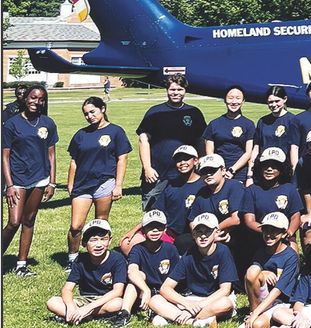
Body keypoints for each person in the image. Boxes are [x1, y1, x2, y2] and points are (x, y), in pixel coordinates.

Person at [65, 97, 130, 267]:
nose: (89, 116)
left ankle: (99, 259)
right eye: (86, 114)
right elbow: (74, 161)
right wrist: (70, 183)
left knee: (101, 223)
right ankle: (72, 259)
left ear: (103, 109)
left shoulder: (116, 132)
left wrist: (118, 185)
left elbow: (122, 159)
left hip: (105, 183)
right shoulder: (81, 134)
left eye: (92, 112)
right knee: (76, 226)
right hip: (82, 185)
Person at [2, 83, 58, 276]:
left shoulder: (47, 123)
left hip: (40, 178)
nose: (37, 102)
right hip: (17, 179)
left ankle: (21, 265)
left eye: (41, 98)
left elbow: (51, 154)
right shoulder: (11, 124)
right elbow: (5, 156)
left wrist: (51, 182)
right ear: (25, 98)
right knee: (14, 222)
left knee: (29, 220)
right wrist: (9, 185)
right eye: (33, 97)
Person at [150, 213, 238, 328]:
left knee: (225, 304)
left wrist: (197, 307)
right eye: (199, 232)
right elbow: (165, 288)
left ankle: (174, 318)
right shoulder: (189, 254)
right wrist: (187, 304)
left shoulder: (223, 252)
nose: (203, 236)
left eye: (207, 231)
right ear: (193, 234)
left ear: (216, 232)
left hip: (213, 300)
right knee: (155, 300)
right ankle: (195, 322)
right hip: (191, 299)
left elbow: (225, 290)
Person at [136, 74, 206, 211]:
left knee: (184, 210)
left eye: (179, 89)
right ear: (167, 90)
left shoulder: (193, 112)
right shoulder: (155, 112)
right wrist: (147, 168)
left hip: (186, 172)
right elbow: (143, 139)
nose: (176, 93)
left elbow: (201, 140)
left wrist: (201, 163)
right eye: (172, 90)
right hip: (158, 173)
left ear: (185, 90)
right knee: (153, 213)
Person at [119, 145, 201, 255]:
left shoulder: (204, 184)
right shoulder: (171, 184)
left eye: (186, 159)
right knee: (126, 244)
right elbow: (156, 210)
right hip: (167, 231)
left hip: (192, 234)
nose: (182, 163)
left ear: (195, 161)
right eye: (178, 160)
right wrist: (134, 230)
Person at [46, 219, 128, 328]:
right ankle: (82, 316)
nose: (98, 245)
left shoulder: (117, 259)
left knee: (118, 303)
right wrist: (71, 308)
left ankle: (80, 316)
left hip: (106, 300)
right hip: (85, 299)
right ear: (84, 243)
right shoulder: (80, 260)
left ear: (110, 241)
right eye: (93, 240)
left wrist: (87, 309)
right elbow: (67, 289)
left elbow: (117, 291)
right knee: (52, 302)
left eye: (103, 239)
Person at [241, 212, 300, 328]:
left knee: (256, 326)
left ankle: (259, 316)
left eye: (274, 231)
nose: (269, 235)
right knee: (252, 270)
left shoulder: (291, 256)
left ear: (284, 233)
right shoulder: (260, 252)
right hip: (263, 299)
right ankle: (254, 311)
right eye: (266, 230)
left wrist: (256, 314)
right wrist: (263, 273)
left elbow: (278, 290)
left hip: (282, 302)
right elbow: (249, 279)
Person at [124, 210, 181, 321]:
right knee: (138, 276)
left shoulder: (170, 249)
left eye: (159, 227)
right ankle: (124, 313)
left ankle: (158, 313)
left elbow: (176, 275)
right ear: (143, 230)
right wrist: (146, 290)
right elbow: (132, 270)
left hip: (164, 291)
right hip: (143, 292)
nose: (155, 230)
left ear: (165, 229)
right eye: (150, 227)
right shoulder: (138, 249)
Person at [240, 148, 303, 246]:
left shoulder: (290, 189)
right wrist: (268, 233)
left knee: (293, 249)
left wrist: (289, 232)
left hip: (284, 237)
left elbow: (296, 216)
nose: (269, 169)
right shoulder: (251, 190)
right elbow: (249, 221)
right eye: (265, 166)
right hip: (259, 238)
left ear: (282, 168)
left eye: (274, 166)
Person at [203, 85, 255, 185]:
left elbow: (248, 152)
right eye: (230, 98)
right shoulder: (214, 124)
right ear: (225, 100)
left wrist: (232, 170)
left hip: (239, 173)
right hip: (217, 171)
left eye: (238, 98)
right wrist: (219, 169)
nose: (234, 102)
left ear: (243, 101)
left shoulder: (249, 124)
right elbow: (209, 152)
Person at [252, 85, 301, 175]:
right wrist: (250, 173)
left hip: (283, 169)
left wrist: (295, 171)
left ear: (285, 99)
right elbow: (256, 147)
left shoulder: (292, 120)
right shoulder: (262, 121)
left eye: (277, 101)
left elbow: (294, 148)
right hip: (264, 168)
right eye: (270, 102)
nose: (274, 105)